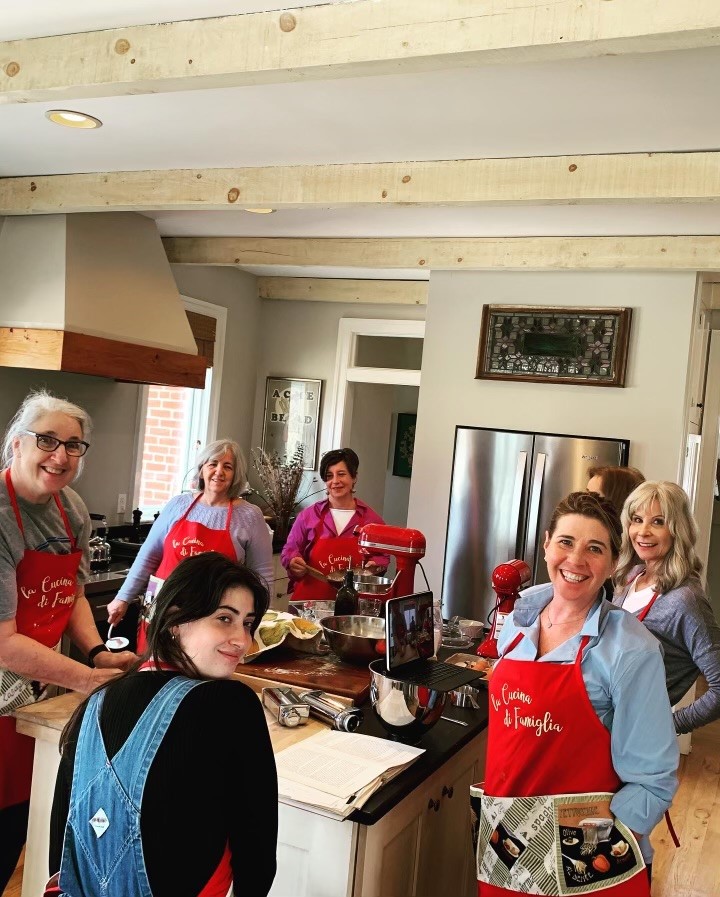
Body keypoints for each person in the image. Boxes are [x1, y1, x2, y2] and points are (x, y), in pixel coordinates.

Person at [475, 492, 678, 896]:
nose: (576, 559)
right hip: (505, 844)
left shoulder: (630, 649)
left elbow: (653, 780)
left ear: (614, 562)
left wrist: (606, 839)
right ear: (547, 543)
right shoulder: (519, 619)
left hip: (587, 864)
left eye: (595, 548)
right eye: (566, 542)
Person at [49, 551, 277, 896]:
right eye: (224, 619)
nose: (242, 640)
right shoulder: (231, 704)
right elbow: (256, 844)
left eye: (247, 623)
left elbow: (62, 839)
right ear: (174, 620)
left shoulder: (96, 701)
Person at [0, 390, 135, 890]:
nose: (60, 456)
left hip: (40, 690)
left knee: (20, 817)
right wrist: (86, 678)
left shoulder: (70, 508)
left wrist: (98, 652)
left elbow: (71, 595)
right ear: (16, 444)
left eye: (73, 445)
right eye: (47, 441)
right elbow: (3, 642)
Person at [108, 439, 273, 652]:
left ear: (236, 475)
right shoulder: (178, 505)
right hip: (162, 614)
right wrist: (123, 597)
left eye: (228, 466)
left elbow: (262, 575)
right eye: (213, 464)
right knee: (152, 677)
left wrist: (257, 621)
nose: (219, 472)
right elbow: (148, 557)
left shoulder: (249, 516)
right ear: (202, 468)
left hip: (212, 621)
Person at [614, 480, 720, 734]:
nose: (643, 531)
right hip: (603, 725)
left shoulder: (685, 600)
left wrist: (667, 727)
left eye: (658, 522)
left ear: (677, 530)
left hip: (632, 735)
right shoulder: (632, 578)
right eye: (637, 519)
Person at [281, 447, 388, 602]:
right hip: (310, 605)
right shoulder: (308, 516)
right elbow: (290, 550)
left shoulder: (372, 521)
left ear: (354, 477)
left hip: (353, 607)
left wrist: (375, 566)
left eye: (341, 474)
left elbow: (381, 557)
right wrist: (293, 561)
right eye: (329, 476)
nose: (335, 481)